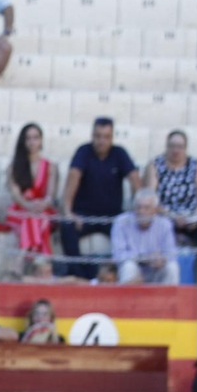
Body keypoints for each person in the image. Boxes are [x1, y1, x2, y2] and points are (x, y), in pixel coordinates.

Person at [59, 118, 138, 280]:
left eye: (106, 136)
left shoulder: (119, 153)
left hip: (112, 217)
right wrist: (68, 211)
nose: (101, 140)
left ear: (112, 137)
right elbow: (73, 177)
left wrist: (137, 211)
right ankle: (77, 274)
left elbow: (135, 179)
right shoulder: (83, 151)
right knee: (66, 225)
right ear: (92, 135)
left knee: (130, 228)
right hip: (84, 215)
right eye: (98, 136)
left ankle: (121, 274)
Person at [143, 130, 197, 250]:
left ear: (185, 148)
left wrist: (195, 216)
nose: (176, 150)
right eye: (172, 146)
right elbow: (150, 198)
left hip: (191, 219)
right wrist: (172, 217)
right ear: (166, 146)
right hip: (164, 217)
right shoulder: (155, 164)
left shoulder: (195, 165)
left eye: (180, 146)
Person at [6, 122, 56, 257]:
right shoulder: (14, 166)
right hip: (20, 210)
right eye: (28, 138)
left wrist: (41, 204)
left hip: (42, 209)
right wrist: (29, 206)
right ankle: (42, 262)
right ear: (23, 141)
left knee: (37, 218)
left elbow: (50, 195)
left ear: (41, 140)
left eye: (36, 137)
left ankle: (20, 262)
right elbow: (15, 194)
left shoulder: (50, 166)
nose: (32, 142)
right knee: (32, 219)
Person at [111, 188, 178, 285]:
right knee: (128, 266)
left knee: (172, 267)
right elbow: (118, 254)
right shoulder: (121, 222)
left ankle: (169, 300)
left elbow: (171, 253)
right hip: (135, 269)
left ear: (155, 210)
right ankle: (127, 299)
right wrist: (144, 258)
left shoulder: (165, 224)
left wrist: (161, 259)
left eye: (146, 208)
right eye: (138, 207)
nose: (141, 211)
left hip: (156, 269)